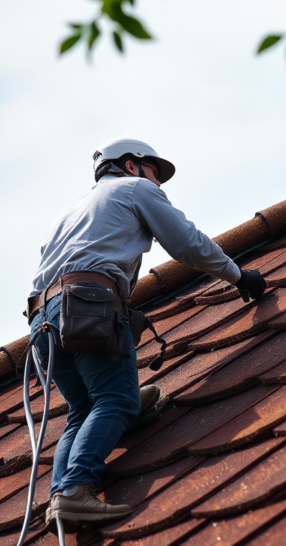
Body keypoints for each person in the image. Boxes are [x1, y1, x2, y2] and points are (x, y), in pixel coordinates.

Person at [27, 139, 266, 532]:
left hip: (41, 324)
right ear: (132, 166)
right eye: (156, 171)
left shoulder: (71, 213)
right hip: (87, 303)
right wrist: (239, 276)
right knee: (116, 400)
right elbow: (187, 243)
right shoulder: (135, 189)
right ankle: (75, 489)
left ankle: (61, 500)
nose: (159, 182)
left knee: (83, 409)